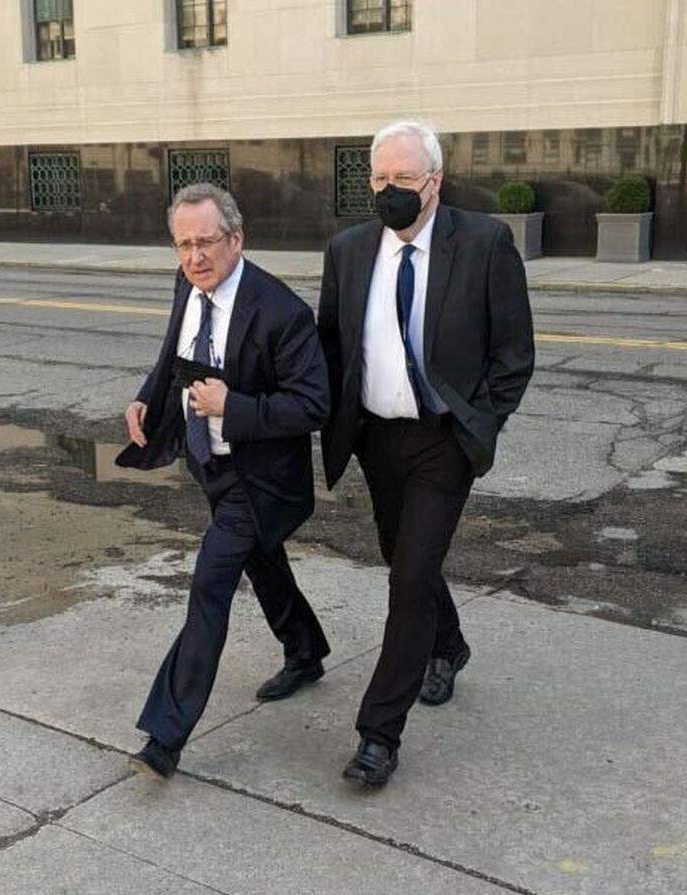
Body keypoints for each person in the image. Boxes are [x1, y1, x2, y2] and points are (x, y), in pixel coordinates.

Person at [318, 121, 535, 786]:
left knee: (409, 576)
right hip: (378, 439)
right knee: (404, 555)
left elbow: (514, 354)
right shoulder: (350, 249)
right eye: (379, 180)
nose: (389, 191)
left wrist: (480, 423)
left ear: (434, 182)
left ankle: (378, 732)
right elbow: (331, 346)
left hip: (444, 441)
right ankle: (449, 643)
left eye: (403, 180)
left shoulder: (485, 243)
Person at [118, 183, 331, 779]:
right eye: (183, 245)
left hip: (261, 480)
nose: (194, 257)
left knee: (211, 586)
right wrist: (144, 398)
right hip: (209, 466)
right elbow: (173, 358)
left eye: (206, 242)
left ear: (236, 239)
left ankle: (165, 737)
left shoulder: (281, 311)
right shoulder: (188, 285)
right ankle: (306, 651)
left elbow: (313, 405)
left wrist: (233, 407)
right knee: (263, 561)